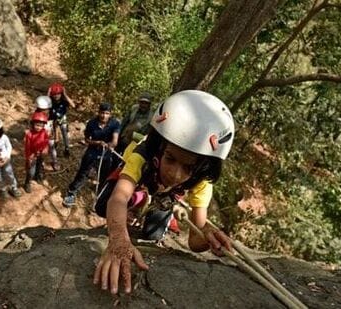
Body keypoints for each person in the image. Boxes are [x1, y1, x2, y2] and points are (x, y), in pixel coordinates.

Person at [92, 90, 235, 294]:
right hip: (142, 179)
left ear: (203, 167)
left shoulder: (202, 181)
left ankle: (146, 204)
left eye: (188, 168)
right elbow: (118, 198)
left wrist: (209, 238)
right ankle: (140, 202)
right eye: (170, 158)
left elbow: (194, 241)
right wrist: (118, 240)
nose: (175, 174)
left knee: (152, 235)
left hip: (165, 197)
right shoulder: (142, 155)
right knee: (102, 205)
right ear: (159, 147)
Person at [62, 102, 120, 208]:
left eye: (107, 113)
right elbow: (87, 140)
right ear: (98, 112)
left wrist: (109, 145)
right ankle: (71, 193)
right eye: (102, 113)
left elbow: (115, 141)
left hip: (105, 155)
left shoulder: (115, 123)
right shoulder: (92, 123)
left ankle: (101, 200)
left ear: (110, 114)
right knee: (83, 173)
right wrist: (97, 143)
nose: (104, 116)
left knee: (104, 177)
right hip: (92, 152)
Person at [23, 111, 50, 193]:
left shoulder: (44, 132)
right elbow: (27, 147)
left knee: (39, 166)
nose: (39, 127)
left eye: (41, 126)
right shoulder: (29, 134)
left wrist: (46, 148)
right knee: (31, 171)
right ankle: (27, 183)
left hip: (40, 153)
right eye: (37, 125)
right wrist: (29, 157)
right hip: (32, 155)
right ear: (33, 124)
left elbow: (46, 141)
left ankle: (37, 177)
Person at [48, 82, 76, 157]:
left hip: (62, 118)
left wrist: (65, 94)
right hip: (52, 119)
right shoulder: (50, 100)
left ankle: (67, 148)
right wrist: (48, 93)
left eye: (58, 94)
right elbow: (46, 103)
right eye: (54, 94)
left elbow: (73, 105)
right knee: (51, 133)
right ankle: (53, 146)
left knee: (64, 130)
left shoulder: (63, 101)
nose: (56, 96)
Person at [35, 95, 59, 171]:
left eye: (45, 110)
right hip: (40, 137)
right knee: (41, 151)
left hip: (50, 135)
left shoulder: (52, 115)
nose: (43, 111)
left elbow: (56, 125)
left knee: (52, 148)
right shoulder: (36, 116)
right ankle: (42, 163)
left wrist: (57, 136)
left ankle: (55, 161)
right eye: (40, 110)